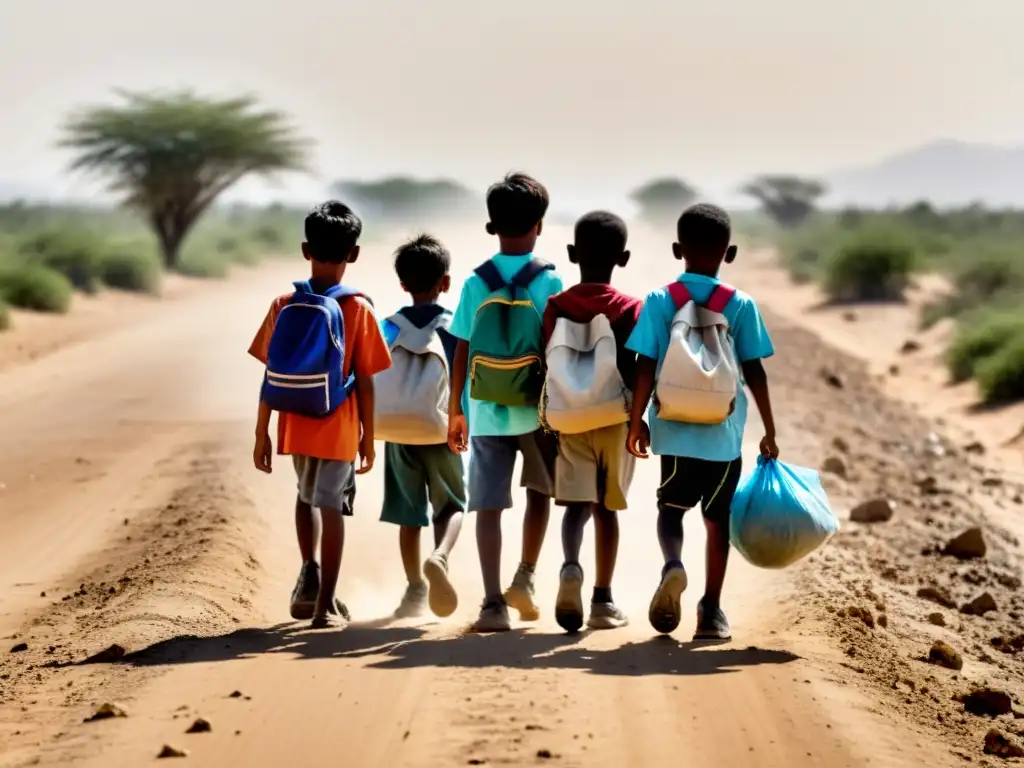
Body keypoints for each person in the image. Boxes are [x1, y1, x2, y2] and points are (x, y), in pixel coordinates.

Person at [625, 203, 778, 640]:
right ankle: (711, 610)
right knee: (717, 522)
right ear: (728, 253)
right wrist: (769, 429)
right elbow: (755, 371)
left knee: (670, 512)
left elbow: (643, 363)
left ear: (678, 249)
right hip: (724, 438)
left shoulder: (659, 300)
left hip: (674, 430)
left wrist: (637, 422)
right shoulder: (740, 305)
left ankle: (673, 565)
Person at [250, 201, 391, 629]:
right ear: (355, 254)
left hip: (294, 419)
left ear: (305, 248)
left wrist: (262, 432)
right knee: (330, 504)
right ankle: (325, 604)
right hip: (339, 423)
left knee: (305, 495)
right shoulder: (359, 309)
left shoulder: (283, 303)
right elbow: (365, 379)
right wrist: (369, 435)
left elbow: (271, 374)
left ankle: (309, 574)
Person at [448, 172, 564, 632]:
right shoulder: (550, 281)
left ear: (491, 226)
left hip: (485, 409)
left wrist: (457, 410)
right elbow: (558, 348)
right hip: (536, 411)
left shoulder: (476, 282)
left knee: (488, 506)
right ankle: (526, 576)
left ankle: (492, 603)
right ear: (540, 225)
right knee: (540, 494)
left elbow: (460, 345)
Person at [541, 211, 641, 632]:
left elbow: (545, 361)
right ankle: (603, 599)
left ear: (571, 254)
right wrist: (640, 421)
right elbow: (637, 367)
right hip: (615, 418)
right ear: (624, 257)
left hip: (569, 419)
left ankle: (569, 567)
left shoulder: (556, 306)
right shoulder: (630, 308)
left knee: (576, 507)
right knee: (607, 510)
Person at [378, 234, 466, 619]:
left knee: (407, 512)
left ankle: (414, 589)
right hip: (442, 429)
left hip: (397, 429)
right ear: (444, 283)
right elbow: (465, 380)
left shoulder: (388, 326)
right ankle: (441, 557)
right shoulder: (453, 327)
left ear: (402, 284)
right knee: (452, 505)